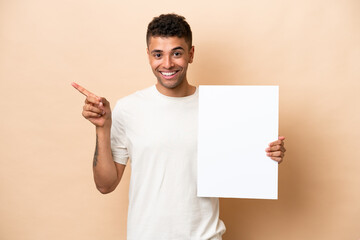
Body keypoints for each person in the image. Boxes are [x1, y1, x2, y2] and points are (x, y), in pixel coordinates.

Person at [72, 13, 286, 240]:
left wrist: (268, 155)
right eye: (158, 54)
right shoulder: (128, 108)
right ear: (148, 56)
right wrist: (102, 128)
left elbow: (244, 161)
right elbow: (105, 185)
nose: (167, 63)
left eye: (176, 53)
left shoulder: (221, 108)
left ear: (191, 54)